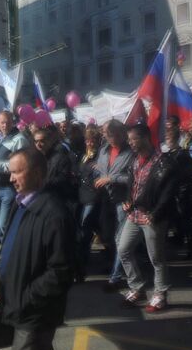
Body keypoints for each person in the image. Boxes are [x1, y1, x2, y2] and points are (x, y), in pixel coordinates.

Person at [0, 147, 78, 350]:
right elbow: (11, 250)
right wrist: (1, 288)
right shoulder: (23, 204)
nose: (11, 178)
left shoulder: (53, 213)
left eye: (17, 171)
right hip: (17, 299)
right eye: (11, 171)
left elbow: (61, 271)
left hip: (36, 309)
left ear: (38, 173)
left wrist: (27, 298)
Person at [116, 124, 178, 312]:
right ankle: (137, 287)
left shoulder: (164, 162)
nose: (130, 143)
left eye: (133, 139)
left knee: (156, 258)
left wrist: (156, 213)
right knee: (123, 249)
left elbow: (168, 193)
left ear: (145, 138)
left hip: (152, 216)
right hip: (134, 214)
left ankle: (160, 294)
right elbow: (132, 184)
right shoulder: (135, 159)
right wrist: (127, 200)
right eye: (129, 139)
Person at [95, 121, 134, 289]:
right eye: (105, 133)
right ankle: (120, 265)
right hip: (105, 198)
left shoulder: (130, 152)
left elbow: (134, 177)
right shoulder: (104, 150)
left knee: (120, 238)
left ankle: (115, 277)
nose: (105, 136)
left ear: (119, 134)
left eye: (108, 134)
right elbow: (100, 169)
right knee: (106, 235)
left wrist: (112, 178)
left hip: (123, 200)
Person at [0, 111, 30, 240]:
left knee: (4, 224)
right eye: (2, 123)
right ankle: (4, 254)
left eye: (7, 122)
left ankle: (11, 251)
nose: (4, 125)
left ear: (13, 122)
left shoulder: (19, 139)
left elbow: (20, 164)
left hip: (8, 188)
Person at [160, 116, 192, 258]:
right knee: (174, 220)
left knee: (186, 220)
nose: (166, 142)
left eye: (168, 139)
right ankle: (178, 239)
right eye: (166, 139)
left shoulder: (182, 154)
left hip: (182, 193)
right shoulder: (168, 154)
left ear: (175, 140)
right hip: (171, 192)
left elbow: (187, 173)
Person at [75, 124, 104, 279]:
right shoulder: (84, 155)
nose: (89, 143)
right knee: (90, 229)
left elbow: (100, 175)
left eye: (92, 140)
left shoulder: (100, 156)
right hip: (82, 196)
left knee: (85, 229)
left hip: (93, 197)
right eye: (87, 140)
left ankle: (81, 265)